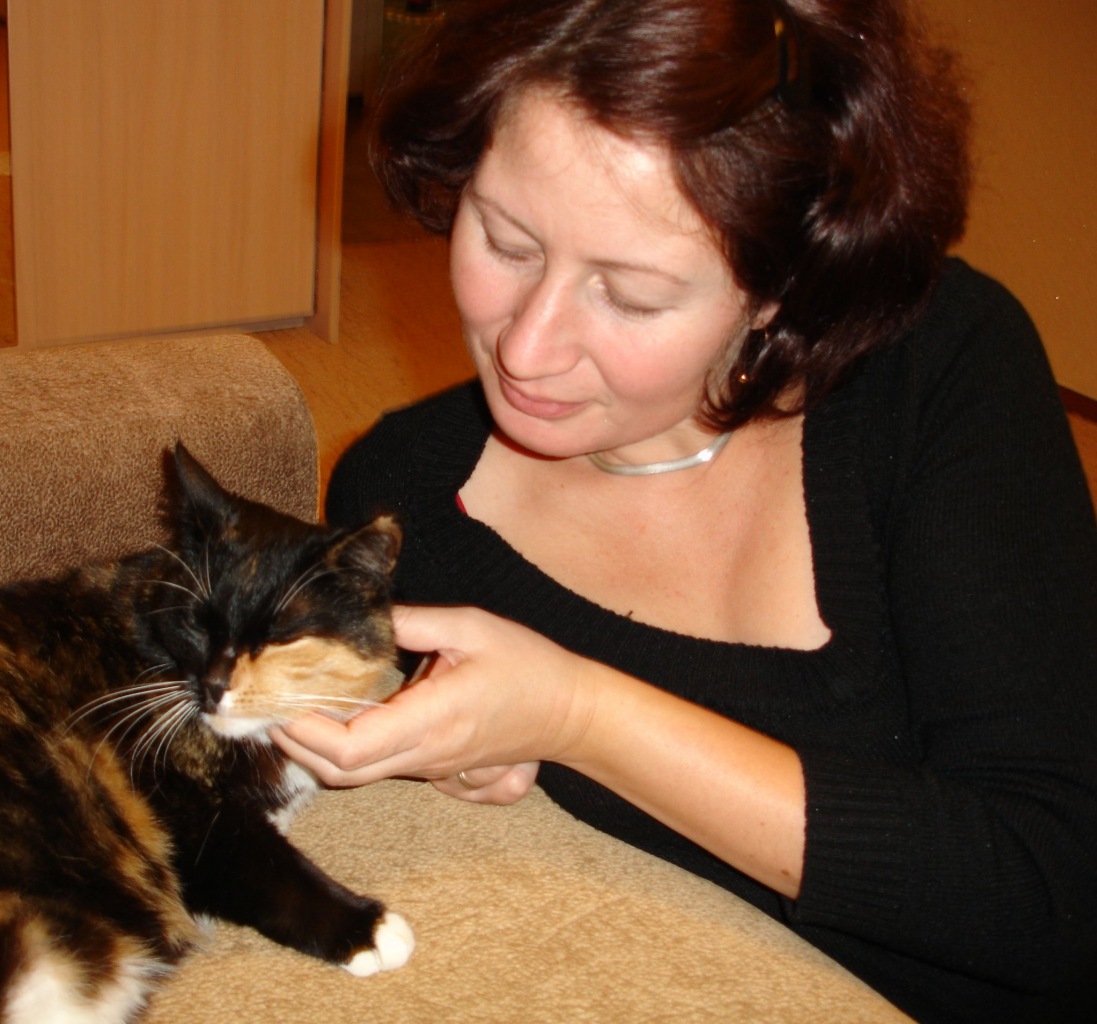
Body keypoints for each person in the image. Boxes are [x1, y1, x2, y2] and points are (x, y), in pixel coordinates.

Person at [274, 1, 1097, 1020]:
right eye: (506, 239)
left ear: (782, 285)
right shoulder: (401, 502)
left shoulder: (934, 369)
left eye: (630, 295)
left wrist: (579, 715)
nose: (526, 347)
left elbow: (1055, 893)